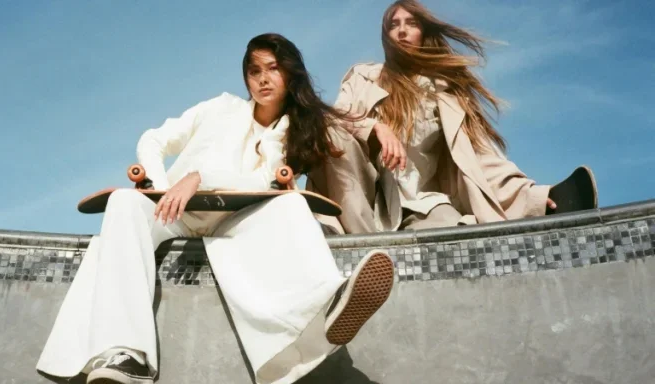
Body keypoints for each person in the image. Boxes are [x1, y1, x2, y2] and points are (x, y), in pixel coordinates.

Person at [35, 33, 395, 384]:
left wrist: (379, 128)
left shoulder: (294, 131)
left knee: (291, 205)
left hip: (235, 220)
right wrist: (160, 186)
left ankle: (326, 306)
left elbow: (339, 124)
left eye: (272, 68)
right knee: (124, 202)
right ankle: (126, 354)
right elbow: (154, 139)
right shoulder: (220, 107)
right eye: (254, 71)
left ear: (290, 73)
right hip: (173, 214)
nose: (263, 79)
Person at [307, 0, 597, 234]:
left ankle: (550, 206)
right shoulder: (364, 78)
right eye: (394, 25)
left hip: (421, 201)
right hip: (368, 197)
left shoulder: (444, 92)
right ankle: (337, 233)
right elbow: (333, 120)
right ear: (386, 36)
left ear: (424, 32)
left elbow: (478, 157)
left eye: (411, 23)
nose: (402, 31)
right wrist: (376, 128)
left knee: (457, 233)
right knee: (334, 135)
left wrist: (532, 199)